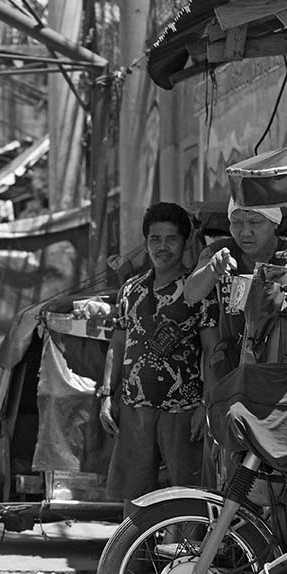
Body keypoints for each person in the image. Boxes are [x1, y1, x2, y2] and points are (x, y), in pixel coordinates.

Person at [98, 202, 220, 502]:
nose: (162, 247)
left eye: (171, 239)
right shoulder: (131, 290)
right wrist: (106, 395)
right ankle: (133, 551)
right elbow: (117, 343)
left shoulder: (198, 290)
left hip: (182, 411)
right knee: (134, 500)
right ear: (146, 242)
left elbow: (212, 349)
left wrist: (205, 406)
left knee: (187, 498)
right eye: (155, 239)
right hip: (135, 407)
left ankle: (190, 550)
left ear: (184, 242)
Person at [183, 199, 283, 377]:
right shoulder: (218, 252)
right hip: (231, 367)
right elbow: (191, 295)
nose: (245, 232)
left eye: (255, 222)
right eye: (236, 222)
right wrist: (212, 270)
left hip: (282, 366)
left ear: (275, 223)